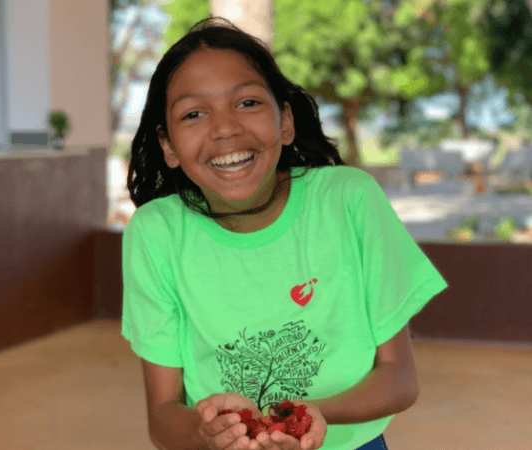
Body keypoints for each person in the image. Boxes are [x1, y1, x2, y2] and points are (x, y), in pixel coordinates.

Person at [121, 17, 448, 450]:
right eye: (194, 113)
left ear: (286, 120)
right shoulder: (155, 233)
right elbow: (163, 418)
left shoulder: (349, 201)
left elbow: (400, 379)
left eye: (248, 103)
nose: (225, 129)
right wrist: (206, 434)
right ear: (168, 146)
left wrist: (310, 415)